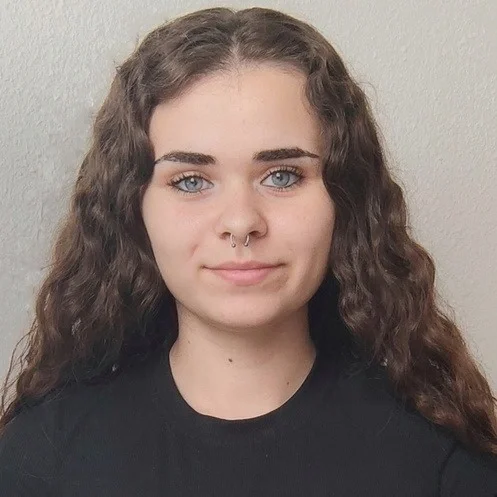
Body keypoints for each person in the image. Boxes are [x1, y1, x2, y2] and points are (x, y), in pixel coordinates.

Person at [1, 6, 496, 495]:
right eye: (191, 181)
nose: (240, 222)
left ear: (346, 198)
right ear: (132, 208)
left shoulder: (441, 463)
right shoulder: (39, 458)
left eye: (282, 176)